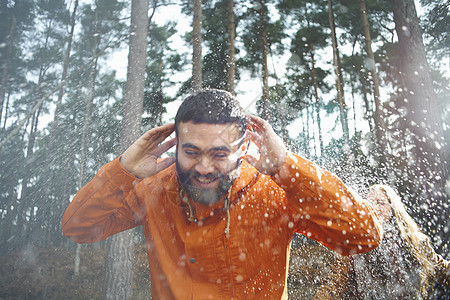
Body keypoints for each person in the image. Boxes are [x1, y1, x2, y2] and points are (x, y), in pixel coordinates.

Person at [62, 89, 383, 299]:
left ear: (243, 148)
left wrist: (287, 168)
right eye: (191, 152)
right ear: (175, 145)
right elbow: (77, 227)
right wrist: (124, 171)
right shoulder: (155, 189)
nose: (203, 167)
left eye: (218, 154)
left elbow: (364, 236)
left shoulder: (273, 190)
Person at [312, 184, 449, 300]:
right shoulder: (355, 245)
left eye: (380, 203)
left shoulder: (414, 240)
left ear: (393, 208)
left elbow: (440, 268)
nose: (375, 208)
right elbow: (335, 283)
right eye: (369, 204)